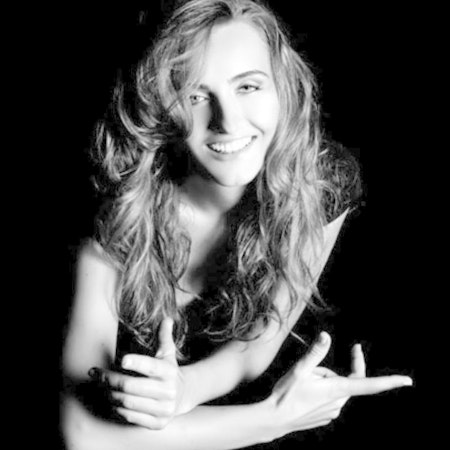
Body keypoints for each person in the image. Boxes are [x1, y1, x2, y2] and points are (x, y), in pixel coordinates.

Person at [60, 0, 413, 448]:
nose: (227, 122)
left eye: (248, 86)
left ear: (283, 88)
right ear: (159, 105)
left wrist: (183, 390)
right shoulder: (114, 200)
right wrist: (273, 419)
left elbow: (254, 349)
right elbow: (83, 434)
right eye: (195, 95)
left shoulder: (322, 183)